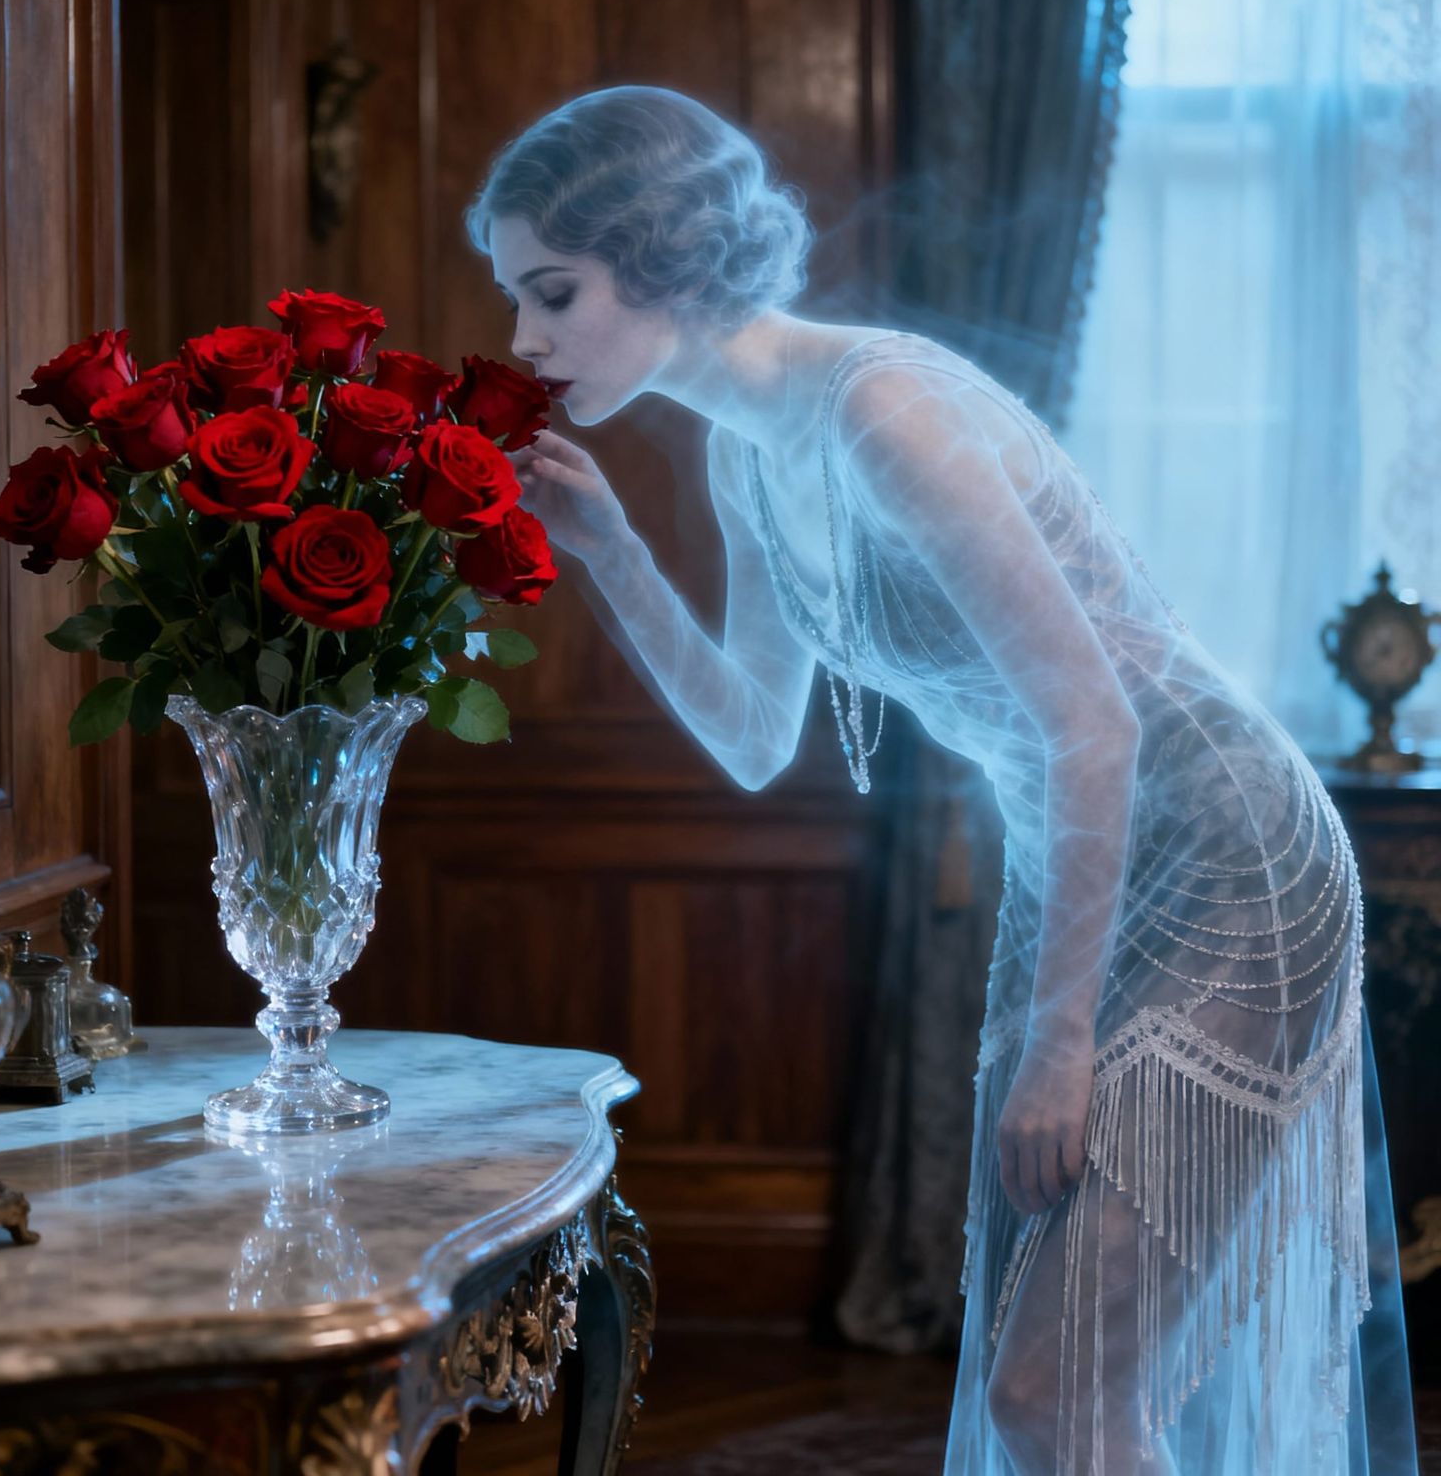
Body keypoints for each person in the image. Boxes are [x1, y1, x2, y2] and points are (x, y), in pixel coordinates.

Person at [465, 85, 1417, 1475]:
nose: (523, 340)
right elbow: (747, 735)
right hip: (1079, 872)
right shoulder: (748, 454)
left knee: (1058, 1390)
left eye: (552, 290)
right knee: (1077, 1388)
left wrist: (1060, 1037)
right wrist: (608, 548)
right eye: (515, 298)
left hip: (1226, 861)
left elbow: (1094, 721)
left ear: (658, 252)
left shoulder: (884, 412)